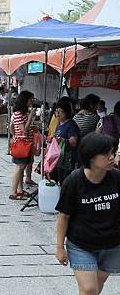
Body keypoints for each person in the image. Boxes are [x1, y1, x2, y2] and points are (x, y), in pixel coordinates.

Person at [55, 133, 120, 295]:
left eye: (113, 152)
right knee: (89, 288)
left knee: (96, 285)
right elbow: (64, 216)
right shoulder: (74, 181)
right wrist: (59, 248)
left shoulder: (116, 177)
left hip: (112, 244)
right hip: (81, 244)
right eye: (106, 154)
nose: (112, 157)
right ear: (90, 156)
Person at [9, 91, 36, 200]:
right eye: (31, 99)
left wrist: (15, 134)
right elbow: (23, 130)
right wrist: (31, 117)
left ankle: (20, 190)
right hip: (22, 143)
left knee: (22, 167)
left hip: (25, 143)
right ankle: (13, 192)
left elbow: (12, 126)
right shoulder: (19, 114)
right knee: (19, 167)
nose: (32, 102)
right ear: (25, 100)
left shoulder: (21, 113)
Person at [52, 101, 80, 185]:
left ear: (66, 112)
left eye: (60, 111)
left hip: (68, 158)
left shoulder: (71, 124)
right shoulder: (59, 124)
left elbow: (74, 141)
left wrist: (62, 139)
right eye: (56, 111)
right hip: (60, 157)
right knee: (60, 179)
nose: (57, 114)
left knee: (66, 180)